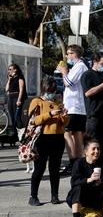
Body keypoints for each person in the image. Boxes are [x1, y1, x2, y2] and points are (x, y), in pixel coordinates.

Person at [28, 77, 69, 206]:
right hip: (42, 138)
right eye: (49, 90)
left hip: (58, 138)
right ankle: (33, 196)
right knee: (39, 169)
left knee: (54, 169)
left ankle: (54, 196)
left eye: (53, 90)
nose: (51, 93)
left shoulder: (58, 101)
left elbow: (65, 123)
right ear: (44, 89)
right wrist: (50, 114)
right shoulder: (37, 101)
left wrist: (64, 115)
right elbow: (33, 121)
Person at [57, 44, 89, 175]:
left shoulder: (80, 66)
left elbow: (68, 83)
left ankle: (74, 162)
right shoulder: (78, 67)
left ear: (75, 54)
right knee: (76, 135)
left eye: (69, 53)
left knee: (68, 134)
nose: (67, 56)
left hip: (74, 107)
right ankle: (78, 163)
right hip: (75, 107)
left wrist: (64, 71)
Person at [66, 139, 103, 217]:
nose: (96, 151)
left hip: (95, 196)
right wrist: (90, 179)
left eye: (98, 149)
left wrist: (99, 183)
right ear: (86, 152)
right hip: (81, 197)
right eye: (94, 149)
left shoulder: (101, 164)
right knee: (78, 187)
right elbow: (74, 182)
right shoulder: (79, 163)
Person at [5, 63, 26, 142]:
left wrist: (19, 100)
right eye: (8, 69)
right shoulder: (11, 78)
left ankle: (21, 134)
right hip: (10, 97)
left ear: (15, 70)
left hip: (16, 97)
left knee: (17, 117)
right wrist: (9, 80)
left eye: (10, 69)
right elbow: (6, 89)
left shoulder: (20, 78)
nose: (9, 71)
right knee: (12, 117)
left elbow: (21, 89)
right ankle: (15, 134)